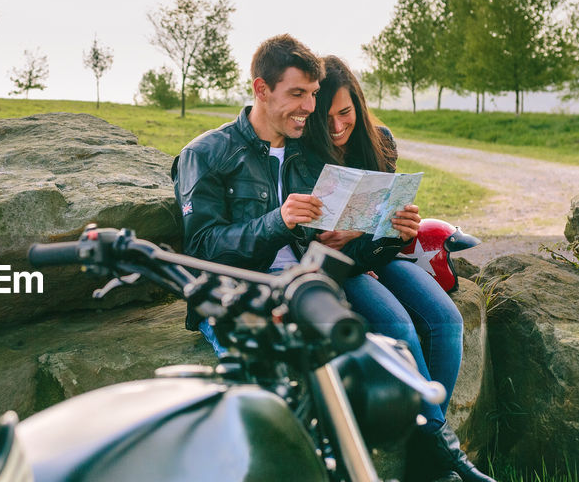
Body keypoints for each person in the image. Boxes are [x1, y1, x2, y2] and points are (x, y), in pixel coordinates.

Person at [303, 55, 503, 482]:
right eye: (326, 116)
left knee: (445, 320)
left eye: (345, 113)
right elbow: (313, 246)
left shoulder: (380, 141)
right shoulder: (305, 153)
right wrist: (355, 241)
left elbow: (386, 240)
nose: (336, 126)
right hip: (334, 266)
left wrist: (401, 230)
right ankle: (444, 451)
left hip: (375, 255)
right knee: (399, 327)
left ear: (357, 103)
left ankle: (421, 450)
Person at [171, 34, 414, 356]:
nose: (310, 107)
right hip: (237, 293)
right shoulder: (206, 153)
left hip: (309, 283)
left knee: (377, 350)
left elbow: (339, 249)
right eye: (297, 93)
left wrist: (391, 232)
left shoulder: (311, 151)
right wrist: (277, 221)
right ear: (261, 89)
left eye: (313, 93)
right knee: (280, 363)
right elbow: (202, 249)